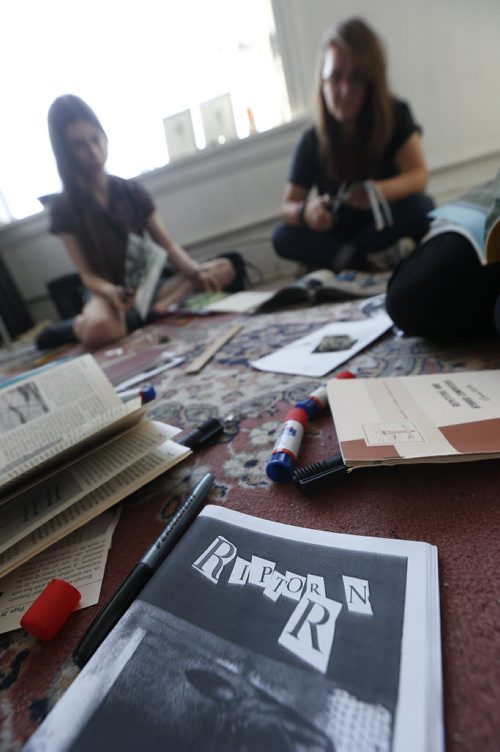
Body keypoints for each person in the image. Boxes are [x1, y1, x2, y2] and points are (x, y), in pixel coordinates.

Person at [45, 94, 238, 350]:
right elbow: (87, 275)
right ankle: (78, 325)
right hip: (106, 295)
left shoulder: (130, 191)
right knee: (100, 329)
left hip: (149, 287)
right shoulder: (64, 207)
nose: (93, 152)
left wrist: (194, 271)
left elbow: (168, 247)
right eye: (80, 146)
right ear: (65, 153)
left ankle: (150, 311)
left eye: (96, 139)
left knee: (226, 266)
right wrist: (111, 292)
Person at [272, 17, 434, 273]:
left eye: (356, 78)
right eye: (335, 78)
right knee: (282, 236)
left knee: (422, 206)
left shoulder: (396, 115)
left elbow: (418, 176)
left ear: (372, 81)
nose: (345, 90)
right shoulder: (312, 139)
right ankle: (365, 257)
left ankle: (351, 258)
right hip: (338, 229)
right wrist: (307, 212)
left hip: (382, 218)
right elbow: (287, 207)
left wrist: (375, 192)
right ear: (322, 82)